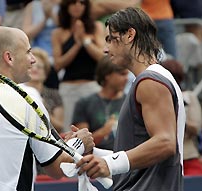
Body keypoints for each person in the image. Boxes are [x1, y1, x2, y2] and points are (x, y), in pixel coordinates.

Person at [0, 26, 94, 191]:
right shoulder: (27, 97)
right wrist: (79, 142)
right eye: (28, 52)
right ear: (9, 58)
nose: (33, 59)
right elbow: (57, 168)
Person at [76, 7, 186, 191]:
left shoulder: (149, 81)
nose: (105, 49)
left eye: (110, 39)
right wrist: (93, 153)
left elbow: (165, 143)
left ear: (129, 35)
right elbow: (138, 155)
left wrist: (110, 164)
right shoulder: (154, 78)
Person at [52, 0, 105, 132]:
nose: (77, 6)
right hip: (69, 87)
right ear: (67, 6)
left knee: (96, 127)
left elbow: (102, 57)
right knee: (69, 129)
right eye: (73, 3)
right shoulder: (58, 32)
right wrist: (76, 44)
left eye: (82, 3)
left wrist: (85, 41)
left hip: (92, 84)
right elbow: (58, 64)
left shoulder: (96, 27)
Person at [72, 56, 128, 150]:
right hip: (95, 158)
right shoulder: (84, 103)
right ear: (107, 75)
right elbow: (82, 144)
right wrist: (104, 131)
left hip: (125, 157)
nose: (126, 78)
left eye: (127, 74)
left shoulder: (131, 101)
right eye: (122, 74)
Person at [161, 59, 202, 176]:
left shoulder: (189, 98)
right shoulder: (155, 99)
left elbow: (196, 128)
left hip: (188, 156)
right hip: (162, 160)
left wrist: (178, 119)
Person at [22, 47, 64, 134]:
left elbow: (59, 127)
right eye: (32, 66)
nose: (34, 69)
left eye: (39, 67)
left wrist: (41, 108)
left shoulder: (53, 94)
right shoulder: (18, 91)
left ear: (46, 72)